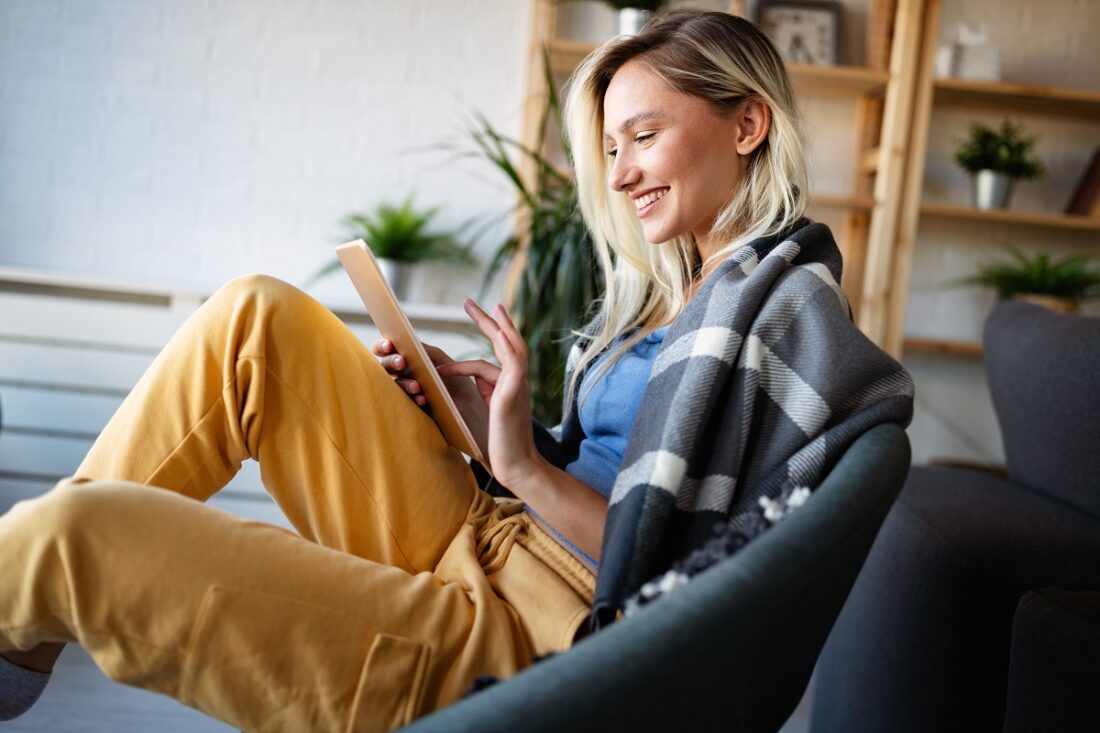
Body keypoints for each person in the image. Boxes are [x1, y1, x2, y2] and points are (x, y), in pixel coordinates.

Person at [0, 10, 912, 732]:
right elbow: (609, 469)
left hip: (540, 630)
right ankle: (12, 636)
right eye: (611, 150)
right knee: (255, 315)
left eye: (643, 136)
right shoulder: (689, 297)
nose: (623, 174)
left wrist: (520, 465)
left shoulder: (786, 312)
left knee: (73, 534)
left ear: (749, 123)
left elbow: (679, 583)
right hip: (495, 525)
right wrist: (483, 421)